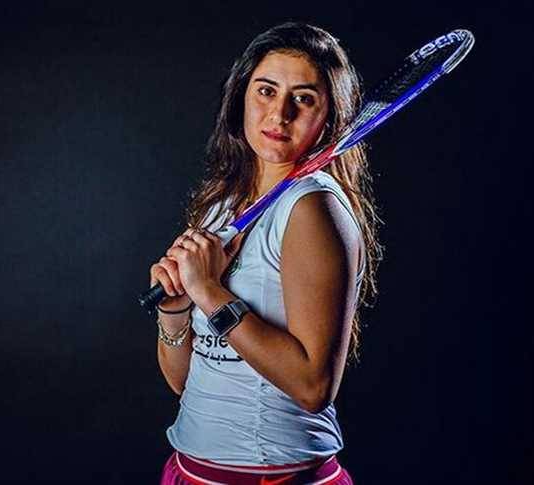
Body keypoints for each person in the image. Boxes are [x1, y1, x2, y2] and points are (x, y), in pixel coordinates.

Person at [150, 22, 383, 484]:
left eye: (304, 98)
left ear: (329, 115)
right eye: (266, 90)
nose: (279, 113)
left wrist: (209, 292)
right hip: (189, 471)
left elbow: (313, 386)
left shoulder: (313, 209)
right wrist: (174, 311)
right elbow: (183, 382)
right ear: (241, 96)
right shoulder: (221, 205)